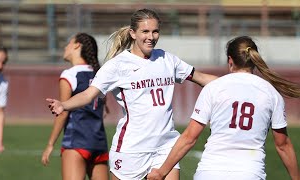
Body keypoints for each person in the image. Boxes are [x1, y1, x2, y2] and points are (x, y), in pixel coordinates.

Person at [47, 9, 217, 180]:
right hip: (132, 149)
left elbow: (201, 78)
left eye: (155, 31)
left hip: (166, 146)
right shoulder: (117, 66)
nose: (151, 37)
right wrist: (64, 105)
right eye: (145, 31)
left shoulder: (167, 59)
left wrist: (239, 80)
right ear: (133, 33)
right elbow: (87, 95)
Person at [147, 36, 300, 180]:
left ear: (230, 60)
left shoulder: (213, 88)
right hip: (250, 173)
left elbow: (189, 138)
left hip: (210, 172)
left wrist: (161, 172)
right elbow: (282, 145)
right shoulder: (271, 93)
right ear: (254, 60)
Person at [41, 33, 109, 180]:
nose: (65, 47)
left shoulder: (70, 74)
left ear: (77, 45)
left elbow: (63, 112)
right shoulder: (100, 74)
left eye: (68, 43)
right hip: (99, 143)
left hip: (76, 142)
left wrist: (50, 144)